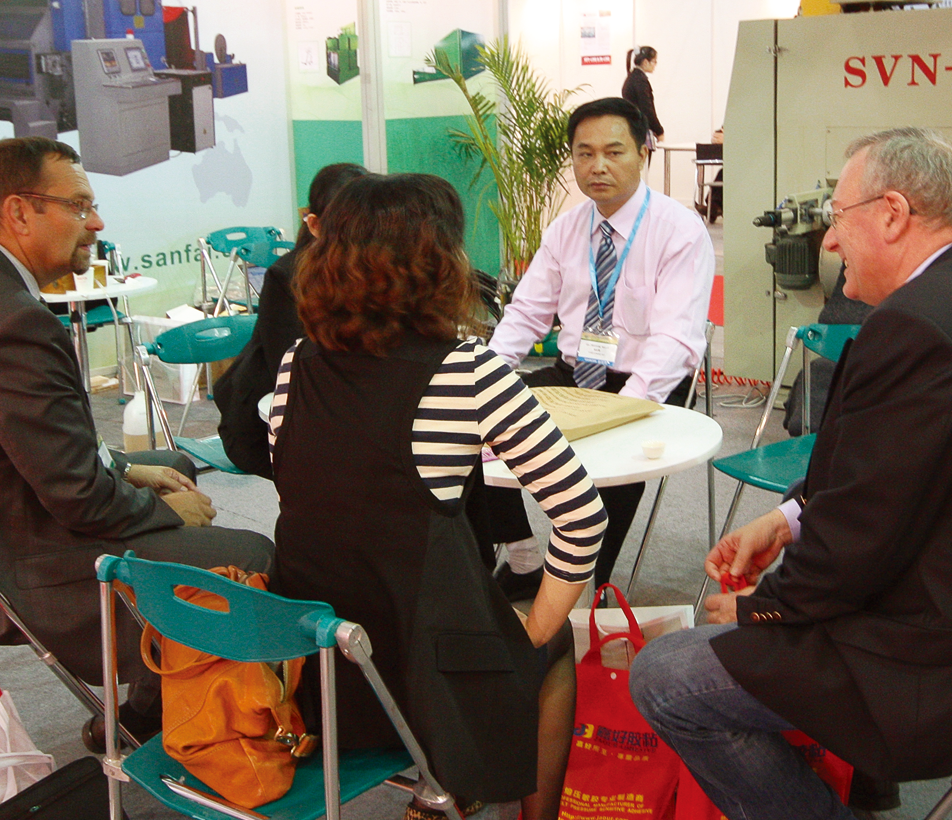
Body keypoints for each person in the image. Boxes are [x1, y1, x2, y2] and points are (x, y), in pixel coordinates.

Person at [629, 128, 952, 820]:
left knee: (668, 678)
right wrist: (788, 520)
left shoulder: (920, 327)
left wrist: (763, 610)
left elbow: (859, 537)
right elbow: (890, 475)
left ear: (891, 214)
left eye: (836, 217)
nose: (828, 242)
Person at [0, 136, 275, 746]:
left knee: (171, 462)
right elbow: (78, 497)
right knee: (249, 555)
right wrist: (166, 511)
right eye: (79, 206)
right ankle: (207, 733)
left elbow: (21, 442)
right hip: (1, 563)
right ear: (19, 212)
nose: (96, 223)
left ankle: (153, 705)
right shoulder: (11, 322)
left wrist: (129, 469)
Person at [268, 173, 605, 820]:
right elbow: (582, 515)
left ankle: (442, 783)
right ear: (440, 262)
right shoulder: (468, 370)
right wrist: (533, 628)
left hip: (321, 670)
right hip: (428, 682)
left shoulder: (296, 364)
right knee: (555, 641)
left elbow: (312, 497)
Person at [485, 96, 713, 596]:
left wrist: (621, 410)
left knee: (609, 465)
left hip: (645, 383)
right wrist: (488, 379)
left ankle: (588, 585)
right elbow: (526, 313)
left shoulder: (679, 231)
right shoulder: (566, 229)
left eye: (614, 152)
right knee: (470, 421)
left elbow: (675, 339)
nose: (598, 166)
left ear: (643, 153)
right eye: (584, 154)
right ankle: (523, 558)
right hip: (574, 375)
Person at [214, 162, 369, 477]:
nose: (359, 234)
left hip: (343, 411)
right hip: (266, 424)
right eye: (346, 223)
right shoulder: (287, 278)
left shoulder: (375, 270)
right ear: (314, 224)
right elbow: (293, 370)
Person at [621, 47, 663, 149]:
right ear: (645, 62)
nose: (655, 65)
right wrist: (659, 130)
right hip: (640, 130)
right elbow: (647, 109)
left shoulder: (631, 78)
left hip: (632, 130)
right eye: (654, 61)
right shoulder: (640, 81)